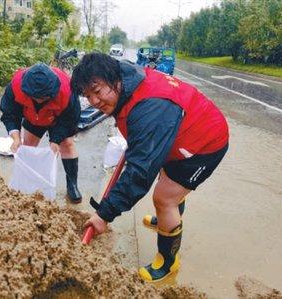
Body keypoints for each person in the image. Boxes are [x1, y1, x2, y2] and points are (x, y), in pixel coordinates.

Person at [71, 53, 229, 282]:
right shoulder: (126, 79)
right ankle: (166, 220)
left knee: (165, 198)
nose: (94, 101)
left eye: (97, 91)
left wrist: (104, 215)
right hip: (176, 132)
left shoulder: (150, 107)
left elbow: (139, 173)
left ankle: (168, 262)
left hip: (203, 143)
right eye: (88, 95)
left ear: (113, 78)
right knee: (166, 178)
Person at [0, 62, 82, 203]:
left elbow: (70, 119)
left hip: (59, 118)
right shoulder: (16, 86)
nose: (40, 100)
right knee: (28, 145)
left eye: (44, 98)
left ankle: (72, 185)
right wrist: (15, 137)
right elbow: (10, 113)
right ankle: (30, 182)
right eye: (36, 97)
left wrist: (55, 140)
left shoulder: (67, 90)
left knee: (67, 144)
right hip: (33, 116)